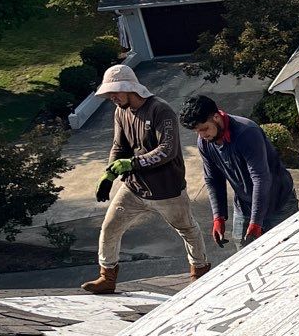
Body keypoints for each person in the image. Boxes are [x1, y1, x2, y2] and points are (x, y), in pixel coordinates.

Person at [82, 64, 208, 295]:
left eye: (115, 91)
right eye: (109, 93)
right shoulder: (120, 111)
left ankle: (199, 272)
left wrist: (132, 163)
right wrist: (109, 174)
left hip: (167, 189)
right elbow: (119, 146)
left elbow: (167, 150)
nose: (112, 97)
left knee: (188, 229)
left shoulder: (161, 110)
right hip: (133, 188)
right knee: (110, 228)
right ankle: (106, 276)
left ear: (131, 88)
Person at [180, 94, 298, 249]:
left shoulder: (247, 133)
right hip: (244, 206)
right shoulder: (205, 142)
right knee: (244, 252)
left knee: (286, 250)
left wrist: (256, 222)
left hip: (279, 203)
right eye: (197, 132)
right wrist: (218, 217)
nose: (202, 135)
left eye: (205, 129)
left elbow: (260, 178)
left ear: (216, 117)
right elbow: (213, 180)